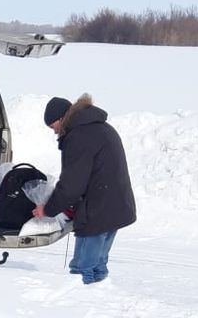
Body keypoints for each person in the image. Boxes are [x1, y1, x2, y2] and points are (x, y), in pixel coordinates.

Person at [33, 94, 137, 284]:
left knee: (82, 270)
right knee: (98, 265)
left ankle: (81, 306)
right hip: (114, 206)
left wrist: (48, 209)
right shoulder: (100, 127)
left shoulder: (79, 136)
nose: (54, 131)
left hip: (97, 211)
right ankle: (98, 303)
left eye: (53, 125)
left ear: (62, 118)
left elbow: (72, 184)